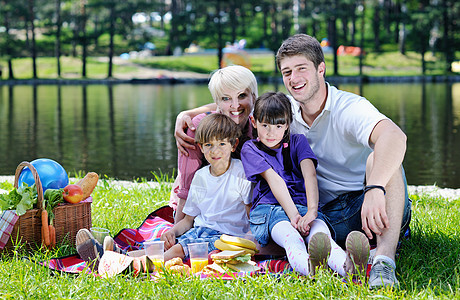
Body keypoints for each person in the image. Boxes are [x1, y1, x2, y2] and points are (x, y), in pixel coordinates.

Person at [174, 34, 411, 288]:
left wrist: (374, 188)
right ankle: (339, 260)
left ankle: (383, 263)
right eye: (287, 72)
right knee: (298, 232)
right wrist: (187, 113)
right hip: (320, 213)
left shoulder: (348, 107)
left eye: (301, 69)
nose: (294, 78)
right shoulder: (284, 111)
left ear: (321, 69)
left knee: (384, 158)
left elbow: (395, 136)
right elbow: (236, 106)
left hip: (362, 207)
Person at [240, 91, 369, 277]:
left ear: (288, 124)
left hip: (302, 207)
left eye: (278, 125)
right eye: (265, 125)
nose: (271, 132)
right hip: (270, 211)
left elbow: (310, 175)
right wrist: (294, 216)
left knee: (321, 237)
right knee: (292, 238)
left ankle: (349, 268)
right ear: (254, 122)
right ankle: (309, 267)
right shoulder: (250, 148)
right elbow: (275, 180)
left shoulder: (298, 141)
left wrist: (311, 212)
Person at [170, 65, 257, 223]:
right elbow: (186, 186)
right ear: (217, 101)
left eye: (242, 95)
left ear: (254, 98)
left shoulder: (262, 126)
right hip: (203, 205)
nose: (235, 105)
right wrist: (176, 232)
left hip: (241, 208)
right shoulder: (197, 127)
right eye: (226, 98)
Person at [161, 113, 252, 261]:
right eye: (208, 145)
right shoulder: (201, 176)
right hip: (200, 231)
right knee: (165, 244)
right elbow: (188, 220)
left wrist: (248, 242)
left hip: (226, 237)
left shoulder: (240, 173)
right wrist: (172, 231)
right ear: (201, 147)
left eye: (222, 144)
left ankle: (137, 265)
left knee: (178, 250)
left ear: (234, 145)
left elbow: (251, 215)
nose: (215, 151)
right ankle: (121, 255)